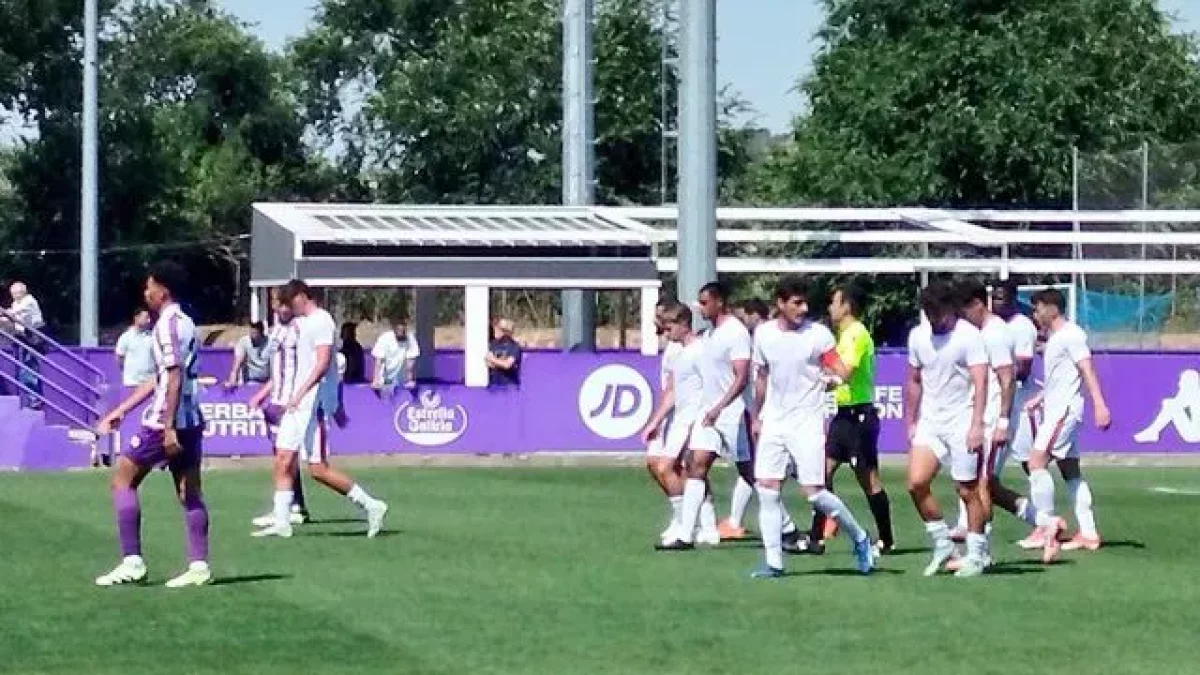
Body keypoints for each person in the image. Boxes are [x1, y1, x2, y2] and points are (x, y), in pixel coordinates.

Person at [93, 261, 211, 587]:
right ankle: (199, 566)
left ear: (163, 290)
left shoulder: (166, 326)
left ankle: (132, 561)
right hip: (191, 419)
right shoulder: (187, 323)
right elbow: (161, 378)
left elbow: (171, 378)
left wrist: (168, 426)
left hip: (165, 422)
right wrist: (123, 410)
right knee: (190, 493)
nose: (146, 293)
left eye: (149, 286)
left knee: (122, 481)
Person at [749, 277, 874, 578]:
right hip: (775, 421)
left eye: (805, 302)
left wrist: (834, 378)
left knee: (815, 493)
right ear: (780, 304)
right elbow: (763, 377)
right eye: (796, 303)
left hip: (806, 422)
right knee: (767, 489)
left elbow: (840, 370)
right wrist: (758, 415)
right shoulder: (764, 334)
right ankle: (774, 562)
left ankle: (859, 537)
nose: (803, 308)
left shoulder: (818, 335)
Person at [252, 280, 388, 539]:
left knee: (313, 467)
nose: (290, 307)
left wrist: (303, 393)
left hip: (309, 404)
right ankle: (283, 520)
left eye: (292, 301)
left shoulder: (322, 321)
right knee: (291, 461)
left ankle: (371, 505)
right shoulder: (301, 323)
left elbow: (324, 362)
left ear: (303, 297)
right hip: (299, 402)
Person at [947, 280, 1040, 568]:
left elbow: (1008, 377)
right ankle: (1044, 523)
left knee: (981, 485)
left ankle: (980, 553)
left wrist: (1001, 421)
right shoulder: (985, 332)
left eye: (963, 312)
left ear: (976, 304)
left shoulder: (996, 334)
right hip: (985, 419)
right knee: (983, 485)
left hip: (993, 422)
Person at [904, 281, 990, 578]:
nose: (933, 318)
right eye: (928, 312)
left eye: (937, 311)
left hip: (962, 421)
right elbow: (914, 379)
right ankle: (943, 544)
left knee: (966, 489)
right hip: (931, 421)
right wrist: (911, 421)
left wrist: (978, 424)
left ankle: (977, 555)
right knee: (916, 483)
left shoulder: (969, 336)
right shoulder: (918, 336)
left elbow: (981, 382)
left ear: (950, 309)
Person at [657, 281, 750, 551]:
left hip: (731, 413)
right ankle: (687, 533)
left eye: (704, 302)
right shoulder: (709, 335)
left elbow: (742, 376)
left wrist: (721, 406)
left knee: (752, 474)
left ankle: (787, 529)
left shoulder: (735, 332)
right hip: (709, 415)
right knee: (695, 466)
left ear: (720, 302)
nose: (700, 307)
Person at [806, 283, 895, 556]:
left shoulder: (856, 334)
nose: (830, 308)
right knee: (822, 474)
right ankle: (816, 537)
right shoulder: (842, 336)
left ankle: (886, 539)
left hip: (859, 417)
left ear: (846, 305)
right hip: (843, 415)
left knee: (868, 480)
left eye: (834, 302)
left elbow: (844, 372)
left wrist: (821, 375)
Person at [1023, 288, 1111, 560]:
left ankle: (1045, 526)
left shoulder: (1071, 335)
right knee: (1070, 470)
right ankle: (1089, 533)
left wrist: (1100, 404)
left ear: (1052, 308)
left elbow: (1086, 368)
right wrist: (1040, 397)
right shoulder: (1056, 338)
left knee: (1036, 462)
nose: (1035, 315)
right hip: (1057, 408)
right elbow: (1061, 379)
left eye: (1038, 309)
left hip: (1063, 412)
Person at [641, 302, 703, 546]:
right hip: (679, 418)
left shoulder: (699, 350)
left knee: (670, 467)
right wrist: (654, 421)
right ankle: (686, 524)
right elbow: (674, 389)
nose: (665, 333)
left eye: (668, 328)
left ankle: (687, 525)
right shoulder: (681, 351)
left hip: (692, 418)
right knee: (669, 467)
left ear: (683, 324)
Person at [248, 289, 311, 527]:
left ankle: (294, 507)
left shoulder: (300, 330)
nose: (278, 309)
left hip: (290, 403)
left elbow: (305, 367)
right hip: (275, 401)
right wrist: (260, 396)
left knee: (287, 458)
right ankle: (288, 506)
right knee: (281, 457)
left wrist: (298, 397)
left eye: (283, 304)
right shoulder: (275, 332)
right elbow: (278, 373)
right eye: (276, 304)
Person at [8, 281, 45, 408]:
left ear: (24, 292)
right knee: (25, 369)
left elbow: (13, 313)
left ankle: (35, 399)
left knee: (28, 369)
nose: (16, 295)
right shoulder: (15, 303)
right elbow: (11, 317)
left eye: (18, 292)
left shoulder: (29, 300)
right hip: (24, 337)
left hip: (34, 336)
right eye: (13, 293)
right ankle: (33, 398)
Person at [371, 314, 420, 397]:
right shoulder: (384, 338)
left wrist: (410, 380)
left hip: (401, 381)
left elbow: (410, 364)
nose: (401, 328)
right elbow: (378, 360)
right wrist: (376, 380)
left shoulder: (411, 339)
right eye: (398, 327)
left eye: (403, 326)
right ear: (394, 328)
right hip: (384, 379)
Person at [115, 308, 156, 386]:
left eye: (149, 318)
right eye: (146, 317)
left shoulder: (152, 337)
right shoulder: (126, 337)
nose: (149, 320)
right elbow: (119, 357)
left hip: (149, 382)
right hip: (132, 382)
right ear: (136, 318)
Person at [224, 321, 272, 388]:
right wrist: (233, 378)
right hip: (250, 381)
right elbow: (237, 362)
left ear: (262, 331)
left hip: (268, 382)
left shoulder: (271, 342)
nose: (253, 334)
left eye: (256, 332)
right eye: (251, 331)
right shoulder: (244, 341)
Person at [487, 318, 522, 386]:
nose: (495, 331)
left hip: (510, 387)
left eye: (498, 329)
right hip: (494, 387)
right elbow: (488, 363)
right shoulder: (493, 345)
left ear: (506, 332)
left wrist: (493, 360)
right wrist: (499, 363)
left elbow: (507, 365)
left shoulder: (514, 347)